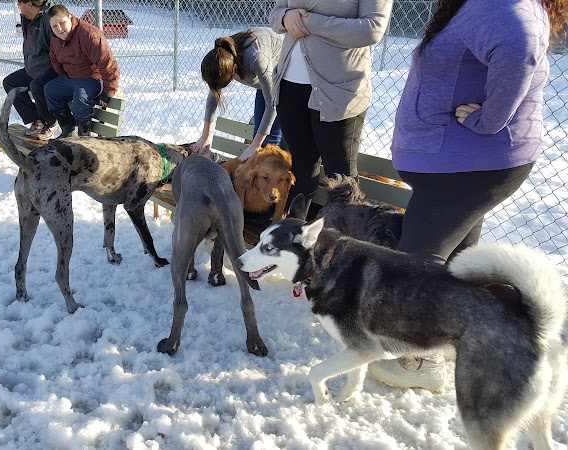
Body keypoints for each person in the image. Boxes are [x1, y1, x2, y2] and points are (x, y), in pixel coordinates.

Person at [368, 0, 567, 391]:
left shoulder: (503, 7)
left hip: (466, 165)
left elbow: (519, 46)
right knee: (460, 255)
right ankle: (455, 338)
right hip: (458, 165)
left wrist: (487, 119)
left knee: (417, 262)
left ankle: (418, 361)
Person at [268, 0, 392, 209]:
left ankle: (344, 238)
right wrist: (285, 17)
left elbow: (372, 28)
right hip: (289, 86)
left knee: (340, 175)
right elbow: (275, 15)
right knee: (301, 166)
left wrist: (311, 22)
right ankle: (296, 233)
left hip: (338, 92)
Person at [192, 27, 283, 162]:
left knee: (269, 143)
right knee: (259, 136)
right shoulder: (223, 55)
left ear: (233, 71)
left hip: (287, 76)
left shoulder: (256, 59)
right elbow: (213, 95)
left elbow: (273, 104)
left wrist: (256, 145)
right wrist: (206, 135)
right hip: (267, 83)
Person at [41, 4, 120, 138]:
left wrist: (108, 91)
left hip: (92, 78)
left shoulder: (88, 34)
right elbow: (54, 60)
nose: (59, 29)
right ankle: (68, 131)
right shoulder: (56, 39)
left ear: (70, 18)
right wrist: (63, 77)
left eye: (62, 23)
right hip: (71, 77)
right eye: (55, 26)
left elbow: (108, 63)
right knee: (50, 90)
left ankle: (84, 137)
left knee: (80, 96)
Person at [2, 0, 55, 136]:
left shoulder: (50, 18)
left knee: (36, 85)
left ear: (29, 4)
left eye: (19, 2)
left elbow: (58, 50)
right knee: (10, 82)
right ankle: (37, 119)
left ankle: (51, 122)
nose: (17, 5)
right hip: (33, 69)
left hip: (50, 71)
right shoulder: (27, 18)